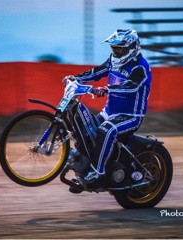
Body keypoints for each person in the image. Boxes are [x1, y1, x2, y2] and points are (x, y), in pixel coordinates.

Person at [62, 29, 152, 184]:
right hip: (109, 112)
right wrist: (76, 79)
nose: (116, 52)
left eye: (119, 49)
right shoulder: (113, 61)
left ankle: (98, 172)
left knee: (106, 130)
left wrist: (107, 89)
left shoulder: (140, 67)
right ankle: (83, 161)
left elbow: (131, 86)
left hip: (131, 117)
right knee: (84, 128)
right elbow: (97, 72)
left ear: (132, 48)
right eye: (114, 48)